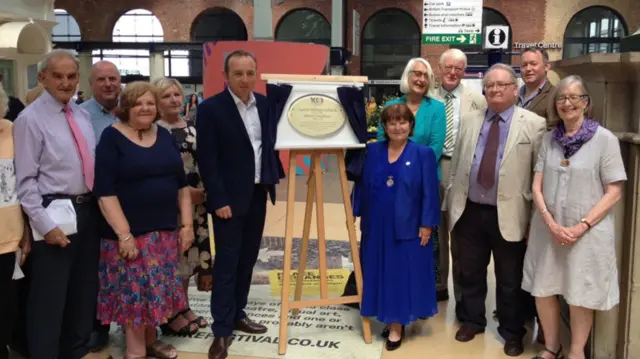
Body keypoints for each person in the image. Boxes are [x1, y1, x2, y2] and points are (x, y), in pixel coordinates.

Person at [443, 63, 546, 356]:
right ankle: (473, 320)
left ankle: (512, 332)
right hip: (470, 211)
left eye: (503, 84)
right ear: (484, 90)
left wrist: (534, 220)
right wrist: (453, 200)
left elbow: (539, 173)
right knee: (470, 272)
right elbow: (459, 165)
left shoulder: (534, 124)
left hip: (511, 213)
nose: (496, 89)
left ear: (515, 90)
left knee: (510, 279)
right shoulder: (470, 119)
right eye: (490, 85)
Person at [14, 49, 109, 359]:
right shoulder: (30, 120)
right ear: (42, 78)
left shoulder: (80, 114)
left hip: (87, 211)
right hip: (53, 214)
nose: (65, 83)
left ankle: (76, 351)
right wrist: (46, 226)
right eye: (58, 76)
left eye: (71, 76)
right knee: (49, 301)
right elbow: (25, 182)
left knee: (82, 296)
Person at [522, 75, 626, 359]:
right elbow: (536, 185)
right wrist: (550, 222)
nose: (567, 103)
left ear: (586, 103)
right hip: (548, 229)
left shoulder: (605, 140)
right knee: (543, 288)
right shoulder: (548, 140)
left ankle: (577, 351)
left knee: (582, 292)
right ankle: (551, 347)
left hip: (587, 233)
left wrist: (581, 226)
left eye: (573, 97)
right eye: (561, 98)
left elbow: (614, 191)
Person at [93, 81, 194, 359]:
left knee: (156, 293)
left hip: (163, 233)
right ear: (126, 106)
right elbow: (104, 191)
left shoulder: (164, 136)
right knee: (134, 296)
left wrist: (186, 226)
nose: (145, 108)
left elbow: (181, 185)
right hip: (130, 235)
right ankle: (135, 352)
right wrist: (124, 234)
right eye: (138, 103)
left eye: (150, 102)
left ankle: (150, 341)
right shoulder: (111, 138)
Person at [196, 49, 283, 359]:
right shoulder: (211, 109)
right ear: (225, 76)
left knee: (247, 260)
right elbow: (207, 159)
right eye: (238, 74)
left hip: (258, 194)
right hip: (228, 202)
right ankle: (221, 331)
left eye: (250, 73)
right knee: (227, 265)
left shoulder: (265, 104)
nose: (245, 79)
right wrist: (218, 199)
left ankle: (238, 314)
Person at [344, 57, 445, 309]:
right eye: (415, 73)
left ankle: (407, 305)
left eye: (425, 74)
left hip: (417, 182)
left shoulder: (436, 109)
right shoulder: (390, 109)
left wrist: (411, 168)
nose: (420, 79)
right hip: (385, 193)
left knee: (409, 256)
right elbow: (373, 162)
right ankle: (374, 300)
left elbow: (434, 147)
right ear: (407, 76)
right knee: (378, 254)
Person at [354, 103, 440, 351]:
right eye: (392, 122)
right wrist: (355, 210)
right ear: (384, 126)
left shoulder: (423, 154)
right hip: (376, 226)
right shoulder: (372, 151)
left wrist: (427, 224)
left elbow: (429, 192)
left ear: (411, 126)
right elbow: (361, 185)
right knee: (379, 271)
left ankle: (396, 325)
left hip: (408, 227)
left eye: (403, 122)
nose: (397, 127)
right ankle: (386, 314)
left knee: (400, 275)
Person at [154, 77, 212, 330]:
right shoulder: (153, 131)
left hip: (196, 205)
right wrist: (184, 193)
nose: (174, 100)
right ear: (156, 100)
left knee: (188, 260)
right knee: (171, 259)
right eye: (166, 96)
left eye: (177, 95)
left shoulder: (192, 127)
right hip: (168, 204)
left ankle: (183, 306)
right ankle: (168, 314)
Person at [434, 48, 486, 308]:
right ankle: (438, 286)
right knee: (435, 230)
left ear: (464, 71)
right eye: (448, 67)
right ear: (440, 68)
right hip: (433, 168)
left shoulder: (477, 100)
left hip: (464, 170)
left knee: (462, 234)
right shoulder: (428, 97)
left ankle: (463, 295)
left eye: (459, 68)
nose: (453, 72)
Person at [0, 87, 31, 359]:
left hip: (8, 239)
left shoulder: (11, 130)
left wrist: (26, 233)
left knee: (7, 308)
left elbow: (23, 183)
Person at [518, 46, 555, 127]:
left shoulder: (555, 95)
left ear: (546, 67)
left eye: (533, 64)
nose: (528, 68)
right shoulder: (514, 95)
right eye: (524, 65)